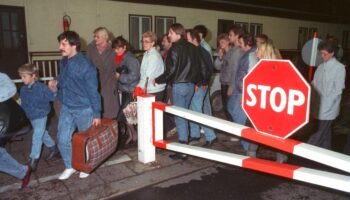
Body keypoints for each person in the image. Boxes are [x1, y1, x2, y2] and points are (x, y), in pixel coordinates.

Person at [48, 31, 101, 180]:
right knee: (63, 138)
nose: (60, 47)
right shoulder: (64, 61)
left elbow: (93, 91)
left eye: (64, 44)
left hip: (84, 108)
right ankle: (69, 166)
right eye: (60, 43)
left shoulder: (86, 66)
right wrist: (55, 81)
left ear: (74, 45)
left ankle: (86, 165)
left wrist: (97, 114)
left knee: (85, 141)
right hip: (67, 105)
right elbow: (64, 77)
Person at [155, 23, 205, 160]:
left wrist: (158, 80)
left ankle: (183, 149)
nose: (168, 35)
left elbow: (170, 72)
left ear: (178, 34)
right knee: (185, 114)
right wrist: (197, 82)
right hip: (190, 86)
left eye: (170, 32)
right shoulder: (193, 48)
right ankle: (185, 144)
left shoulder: (174, 49)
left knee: (180, 117)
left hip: (179, 86)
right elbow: (200, 67)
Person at [18, 64, 60, 171]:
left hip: (41, 115)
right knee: (42, 134)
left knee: (37, 136)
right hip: (31, 116)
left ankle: (33, 160)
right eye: (21, 76)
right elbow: (23, 104)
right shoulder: (23, 90)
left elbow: (51, 97)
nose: (22, 79)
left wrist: (53, 89)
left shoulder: (42, 88)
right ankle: (54, 148)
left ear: (33, 76)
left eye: (24, 76)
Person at [308, 40, 346, 149]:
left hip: (329, 107)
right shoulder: (320, 67)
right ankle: (326, 152)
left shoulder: (339, 68)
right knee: (325, 133)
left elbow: (338, 90)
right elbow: (314, 84)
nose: (322, 56)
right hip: (319, 105)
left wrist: (328, 105)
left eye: (324, 54)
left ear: (332, 53)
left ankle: (306, 150)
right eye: (321, 53)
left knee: (319, 132)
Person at [227, 33, 258, 154]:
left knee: (240, 116)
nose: (239, 45)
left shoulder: (251, 55)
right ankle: (246, 143)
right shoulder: (248, 54)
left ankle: (248, 145)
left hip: (243, 91)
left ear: (247, 43)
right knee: (232, 109)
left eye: (241, 43)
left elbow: (251, 75)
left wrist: (246, 94)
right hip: (240, 89)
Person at [0, 72, 32, 188]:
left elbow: (11, 88)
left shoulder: (1, 76)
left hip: (4, 119)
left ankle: (22, 171)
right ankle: (22, 171)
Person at [186, 29, 216, 147]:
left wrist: (199, 83)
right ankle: (195, 134)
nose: (186, 41)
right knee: (193, 109)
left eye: (188, 39)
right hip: (196, 85)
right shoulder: (196, 51)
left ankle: (211, 136)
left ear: (194, 39)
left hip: (199, 86)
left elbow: (207, 70)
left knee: (198, 111)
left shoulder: (201, 52)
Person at [112, 36, 140, 145]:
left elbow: (135, 76)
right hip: (125, 90)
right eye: (115, 48)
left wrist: (120, 77)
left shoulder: (131, 59)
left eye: (118, 48)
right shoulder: (122, 58)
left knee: (123, 115)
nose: (116, 51)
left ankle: (133, 136)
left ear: (124, 47)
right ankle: (133, 136)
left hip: (130, 91)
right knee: (129, 117)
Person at [86, 27, 119, 119]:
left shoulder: (113, 49)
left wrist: (117, 74)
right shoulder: (90, 48)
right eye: (94, 36)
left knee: (109, 110)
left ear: (105, 37)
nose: (95, 39)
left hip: (109, 81)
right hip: (94, 80)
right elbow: (87, 64)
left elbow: (117, 64)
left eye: (98, 37)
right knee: (96, 107)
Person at [138, 31, 166, 100]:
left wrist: (138, 87)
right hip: (149, 88)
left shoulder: (154, 56)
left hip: (155, 90)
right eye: (143, 41)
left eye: (146, 42)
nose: (144, 44)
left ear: (153, 43)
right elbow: (143, 73)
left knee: (152, 110)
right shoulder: (146, 54)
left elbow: (148, 75)